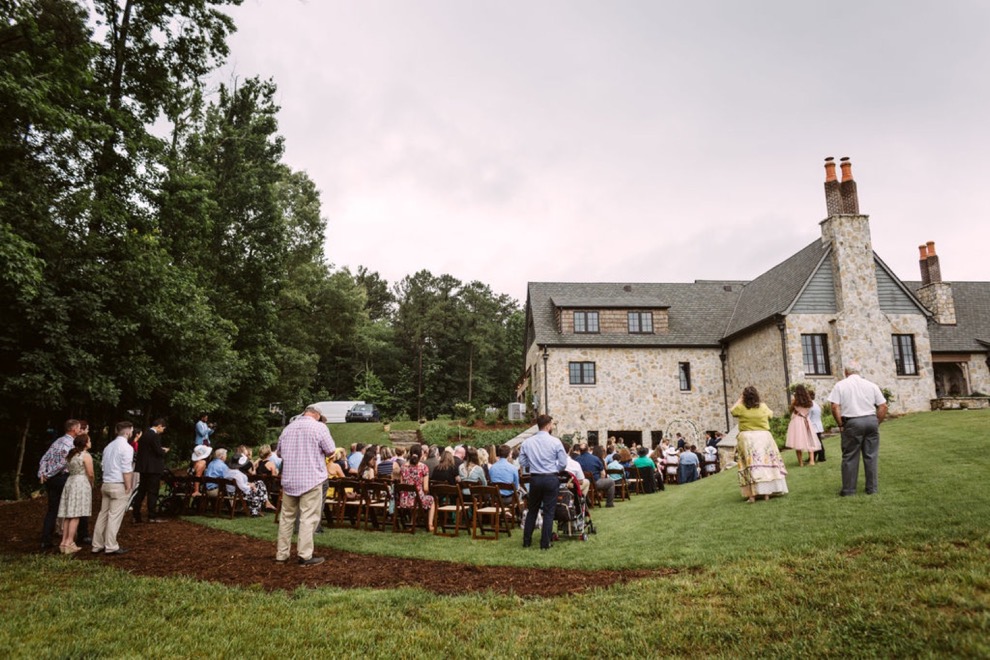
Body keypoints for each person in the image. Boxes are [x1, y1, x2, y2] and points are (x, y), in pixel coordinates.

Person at [275, 405, 336, 566]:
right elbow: (330, 451)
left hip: (290, 479)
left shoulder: (288, 428)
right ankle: (305, 555)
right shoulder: (319, 428)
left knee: (286, 518)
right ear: (317, 415)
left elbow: (279, 453)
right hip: (311, 478)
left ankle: (281, 555)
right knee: (308, 518)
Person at [828, 361, 888, 496]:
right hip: (871, 420)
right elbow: (883, 406)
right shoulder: (871, 385)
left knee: (850, 456)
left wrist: (840, 424)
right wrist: (877, 422)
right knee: (871, 456)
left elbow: (834, 406)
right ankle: (872, 489)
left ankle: (849, 490)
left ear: (846, 372)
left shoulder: (840, 385)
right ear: (859, 372)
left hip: (852, 422)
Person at [518, 415, 568, 550]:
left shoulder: (527, 442)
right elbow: (563, 463)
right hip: (551, 477)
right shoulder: (556, 442)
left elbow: (522, 462)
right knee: (549, 511)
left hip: (535, 478)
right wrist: (554, 469)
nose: (552, 426)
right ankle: (545, 543)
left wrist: (533, 464)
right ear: (547, 425)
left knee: (532, 510)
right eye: (551, 424)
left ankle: (526, 541)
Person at [731, 386, 788, 503]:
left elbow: (732, 411)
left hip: (748, 438)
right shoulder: (763, 406)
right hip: (764, 436)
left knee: (751, 465)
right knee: (765, 463)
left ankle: (752, 495)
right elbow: (770, 415)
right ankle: (767, 492)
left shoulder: (741, 407)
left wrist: (740, 399)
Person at [91, 421, 136, 554]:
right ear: (128, 432)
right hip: (118, 484)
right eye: (131, 431)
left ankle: (97, 544)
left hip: (106, 483)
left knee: (103, 515)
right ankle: (111, 546)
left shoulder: (108, 446)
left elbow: (103, 465)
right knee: (114, 516)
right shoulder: (127, 448)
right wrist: (129, 486)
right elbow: (126, 469)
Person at [37, 419, 82, 551]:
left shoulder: (57, 441)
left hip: (51, 480)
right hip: (62, 478)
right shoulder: (70, 445)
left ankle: (46, 540)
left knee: (52, 510)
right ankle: (68, 540)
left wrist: (42, 473)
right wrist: (49, 474)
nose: (80, 431)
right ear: (74, 429)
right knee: (69, 508)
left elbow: (44, 458)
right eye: (79, 428)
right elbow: (63, 463)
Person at [57, 434, 93, 554]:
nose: (90, 442)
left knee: (69, 514)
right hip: (80, 483)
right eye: (89, 440)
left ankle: (64, 542)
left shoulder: (71, 455)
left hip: (70, 482)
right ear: (85, 443)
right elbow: (91, 473)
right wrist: (92, 483)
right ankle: (70, 542)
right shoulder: (85, 455)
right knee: (76, 514)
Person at [133, 418, 169, 523]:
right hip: (153, 468)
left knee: (141, 491)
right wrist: (164, 451)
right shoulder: (154, 436)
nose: (163, 430)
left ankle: (136, 515)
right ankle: (151, 516)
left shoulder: (144, 435)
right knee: (153, 492)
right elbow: (158, 451)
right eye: (163, 428)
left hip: (144, 468)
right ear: (159, 426)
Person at [397, 446, 436, 531]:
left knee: (417, 498)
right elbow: (425, 488)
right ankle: (430, 524)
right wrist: (424, 494)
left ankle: (412, 522)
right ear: (421, 454)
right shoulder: (423, 467)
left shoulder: (403, 467)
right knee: (431, 500)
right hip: (417, 500)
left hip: (404, 500)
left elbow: (401, 485)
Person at [785, 385, 822, 467]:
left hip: (797, 421)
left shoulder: (795, 402)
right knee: (809, 439)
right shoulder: (809, 402)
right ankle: (812, 461)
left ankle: (801, 463)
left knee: (798, 441)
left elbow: (791, 410)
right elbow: (808, 411)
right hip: (807, 420)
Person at [809, 390, 826, 463]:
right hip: (817, 424)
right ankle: (814, 456)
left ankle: (822, 457)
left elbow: (808, 416)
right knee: (816, 442)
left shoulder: (811, 406)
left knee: (817, 442)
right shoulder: (816, 404)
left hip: (814, 425)